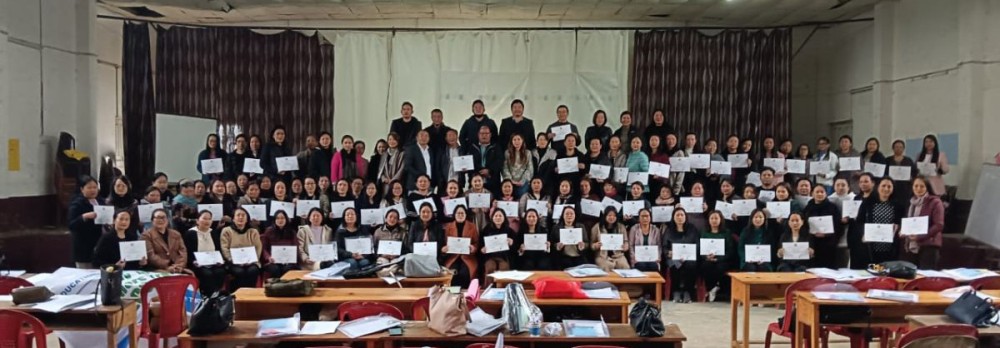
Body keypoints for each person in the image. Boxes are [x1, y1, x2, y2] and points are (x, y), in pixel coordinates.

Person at [853, 178, 906, 266]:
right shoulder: (867, 203)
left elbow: (901, 223)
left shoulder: (898, 205)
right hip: (870, 244)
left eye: (889, 186)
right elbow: (859, 221)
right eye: (883, 186)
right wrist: (863, 233)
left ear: (893, 189)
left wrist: (898, 227)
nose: (886, 189)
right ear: (878, 187)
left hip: (890, 246)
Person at [901, 176, 945, 269]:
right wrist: (903, 231)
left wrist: (919, 237)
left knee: (926, 277)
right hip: (910, 245)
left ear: (927, 187)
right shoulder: (910, 202)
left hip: (929, 245)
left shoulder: (935, 202)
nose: (918, 189)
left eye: (922, 186)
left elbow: (939, 225)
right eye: (916, 186)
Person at [184, 210, 225, 295]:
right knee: (207, 274)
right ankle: (209, 296)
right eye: (204, 218)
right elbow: (187, 251)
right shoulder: (190, 233)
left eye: (209, 219)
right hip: (198, 264)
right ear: (197, 221)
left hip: (213, 263)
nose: (207, 221)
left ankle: (216, 294)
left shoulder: (213, 232)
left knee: (220, 271)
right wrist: (193, 261)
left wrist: (220, 260)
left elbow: (218, 249)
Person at [801, 184, 842, 269]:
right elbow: (804, 225)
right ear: (812, 193)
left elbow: (838, 225)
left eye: (822, 192)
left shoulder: (832, 207)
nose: (819, 194)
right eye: (817, 192)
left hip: (829, 243)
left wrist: (826, 234)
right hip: (813, 242)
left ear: (826, 194)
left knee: (829, 269)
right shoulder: (808, 208)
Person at [663, 208, 699, 303]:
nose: (680, 217)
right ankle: (676, 291)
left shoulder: (692, 229)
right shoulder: (669, 229)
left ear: (685, 217)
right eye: (677, 215)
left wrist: (689, 255)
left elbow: (697, 244)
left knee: (691, 265)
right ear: (673, 217)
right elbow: (665, 246)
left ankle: (688, 291)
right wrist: (668, 253)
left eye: (682, 215)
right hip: (673, 256)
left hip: (689, 257)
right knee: (675, 264)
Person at [221, 208, 262, 290]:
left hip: (251, 261)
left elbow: (258, 247)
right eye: (238, 215)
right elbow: (224, 248)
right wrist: (232, 260)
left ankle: (250, 294)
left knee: (253, 270)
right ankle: (237, 295)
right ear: (233, 218)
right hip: (233, 262)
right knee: (239, 272)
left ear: (247, 219)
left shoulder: (253, 231)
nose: (240, 217)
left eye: (243, 215)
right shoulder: (226, 231)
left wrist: (253, 260)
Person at [700, 210, 735, 302]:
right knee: (706, 266)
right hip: (707, 259)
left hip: (723, 260)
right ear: (708, 220)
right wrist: (706, 257)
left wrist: (718, 259)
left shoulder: (726, 232)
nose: (714, 220)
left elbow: (730, 250)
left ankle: (715, 288)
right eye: (712, 218)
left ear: (721, 220)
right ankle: (713, 288)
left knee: (720, 267)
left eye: (716, 218)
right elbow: (700, 248)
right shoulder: (704, 232)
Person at [69, 176, 102, 269]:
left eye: (95, 187)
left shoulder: (101, 201)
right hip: (83, 247)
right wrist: (84, 217)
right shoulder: (77, 204)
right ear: (82, 189)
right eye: (89, 187)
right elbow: (71, 225)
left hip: (98, 244)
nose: (93, 190)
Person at [142, 208, 188, 273]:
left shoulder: (176, 234)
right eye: (158, 217)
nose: (161, 220)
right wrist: (168, 266)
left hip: (178, 268)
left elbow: (183, 252)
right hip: (158, 269)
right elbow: (151, 255)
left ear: (168, 220)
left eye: (163, 217)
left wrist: (179, 265)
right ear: (152, 220)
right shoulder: (146, 235)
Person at [259, 211, 302, 278]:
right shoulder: (269, 231)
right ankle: (276, 287)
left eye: (282, 218)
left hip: (289, 261)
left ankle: (286, 287)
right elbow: (264, 248)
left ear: (286, 219)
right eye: (278, 218)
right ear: (274, 220)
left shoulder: (292, 232)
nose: (280, 220)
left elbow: (296, 247)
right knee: (275, 269)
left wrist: (291, 258)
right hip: (273, 261)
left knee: (288, 268)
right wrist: (268, 257)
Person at [444, 205, 479, 286]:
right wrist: (445, 248)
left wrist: (473, 248)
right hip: (453, 256)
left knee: (465, 273)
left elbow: (476, 242)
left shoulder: (472, 226)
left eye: (462, 213)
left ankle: (465, 294)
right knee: (453, 273)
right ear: (454, 215)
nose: (460, 215)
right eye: (458, 213)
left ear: (466, 215)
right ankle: (453, 294)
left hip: (467, 257)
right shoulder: (449, 227)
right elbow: (445, 242)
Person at [481, 209, 516, 282]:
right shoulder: (486, 229)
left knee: (504, 268)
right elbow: (481, 244)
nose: (498, 217)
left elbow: (515, 248)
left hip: (504, 257)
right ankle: (488, 288)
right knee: (490, 267)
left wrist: (512, 243)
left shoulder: (509, 231)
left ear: (504, 218)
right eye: (496, 216)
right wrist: (482, 249)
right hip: (490, 257)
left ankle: (502, 289)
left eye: (500, 216)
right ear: (492, 218)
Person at [590, 207, 629, 272]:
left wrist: (625, 246)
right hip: (602, 256)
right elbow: (591, 244)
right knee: (606, 266)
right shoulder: (597, 227)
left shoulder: (621, 227)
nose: (612, 217)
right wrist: (595, 245)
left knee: (625, 266)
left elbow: (626, 241)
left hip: (618, 255)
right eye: (609, 215)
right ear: (605, 216)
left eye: (614, 215)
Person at [470, 126, 504, 194]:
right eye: (482, 133)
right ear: (478, 134)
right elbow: (470, 162)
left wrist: (489, 171)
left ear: (490, 135)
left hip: (493, 181)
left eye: (486, 133)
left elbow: (500, 162)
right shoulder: (472, 147)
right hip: (476, 181)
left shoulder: (496, 147)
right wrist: (479, 172)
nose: (484, 135)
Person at [886, 139, 919, 207]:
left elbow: (914, 172)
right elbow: (884, 173)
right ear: (893, 148)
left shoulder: (908, 160)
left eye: (900, 147)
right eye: (896, 147)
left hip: (905, 188)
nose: (898, 149)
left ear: (903, 149)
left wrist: (911, 178)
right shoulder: (887, 160)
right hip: (891, 187)